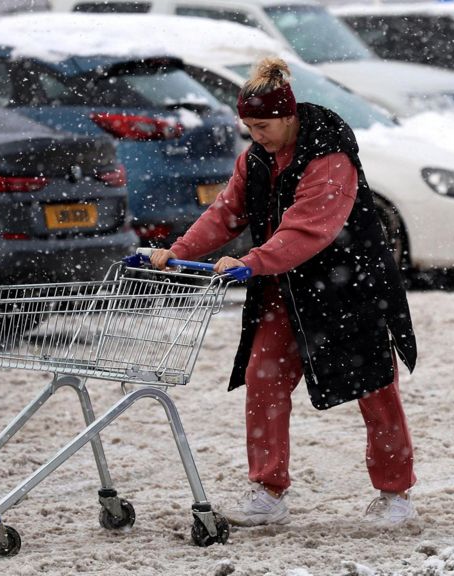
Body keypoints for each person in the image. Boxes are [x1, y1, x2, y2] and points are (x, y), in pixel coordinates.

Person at [149, 57, 420, 528]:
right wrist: (178, 250)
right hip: (284, 290)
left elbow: (306, 231)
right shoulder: (253, 159)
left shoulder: (330, 157)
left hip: (350, 287)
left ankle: (396, 494)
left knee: (376, 388)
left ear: (289, 115)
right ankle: (268, 490)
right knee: (264, 379)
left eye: (264, 125)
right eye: (249, 126)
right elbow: (226, 213)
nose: (257, 135)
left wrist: (250, 262)